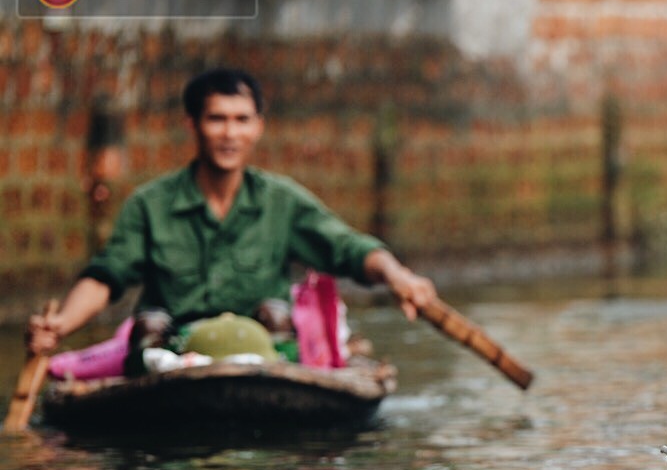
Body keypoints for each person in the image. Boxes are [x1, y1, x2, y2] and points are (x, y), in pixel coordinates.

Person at [25, 67, 436, 374]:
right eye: (216, 119)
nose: (229, 134)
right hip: (171, 359)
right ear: (193, 125)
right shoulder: (151, 204)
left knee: (277, 318)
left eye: (241, 120)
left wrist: (398, 277)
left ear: (258, 127)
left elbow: (348, 248)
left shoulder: (280, 201)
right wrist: (61, 324)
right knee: (149, 326)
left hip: (262, 358)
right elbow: (106, 276)